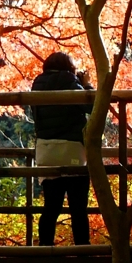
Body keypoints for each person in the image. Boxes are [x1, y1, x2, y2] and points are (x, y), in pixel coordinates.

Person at [31, 52, 92, 246]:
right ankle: (83, 253)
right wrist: (87, 85)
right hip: (72, 149)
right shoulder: (69, 80)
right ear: (69, 67)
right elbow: (91, 107)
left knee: (51, 207)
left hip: (46, 150)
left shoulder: (37, 83)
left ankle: (44, 251)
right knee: (78, 208)